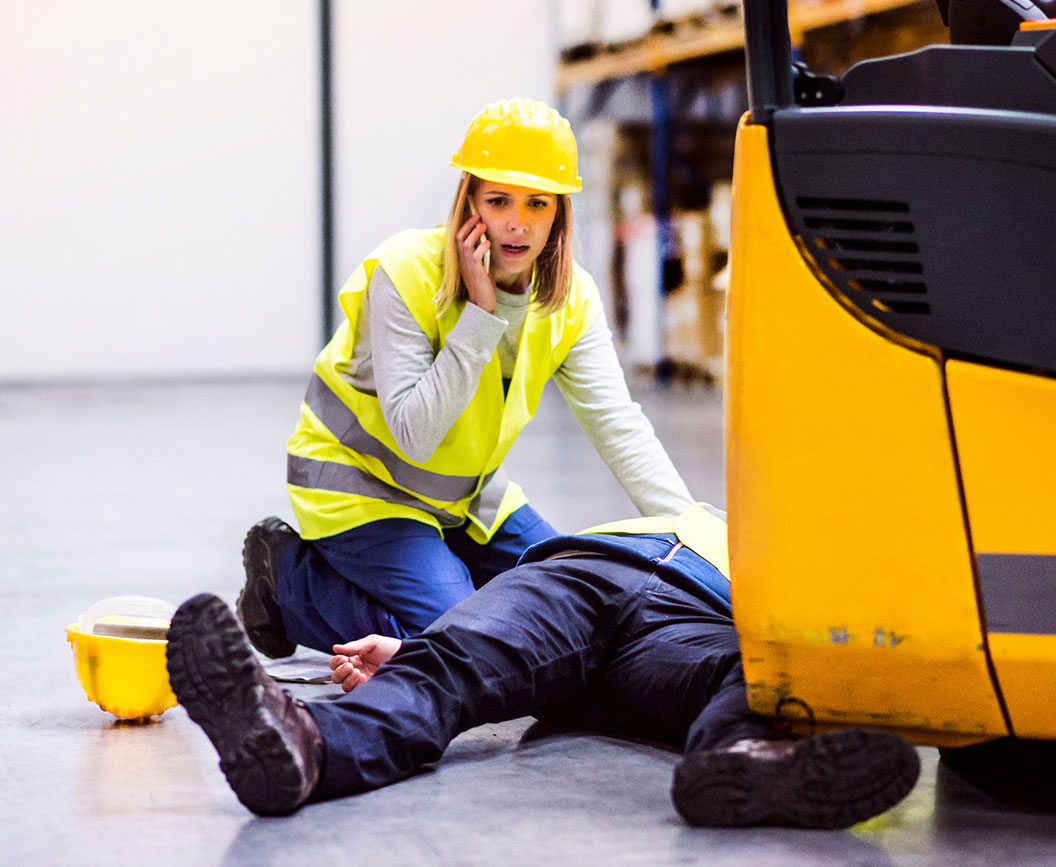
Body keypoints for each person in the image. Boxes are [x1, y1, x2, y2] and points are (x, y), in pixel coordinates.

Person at [239, 97, 694, 660]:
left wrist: (691, 532)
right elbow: (415, 434)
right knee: (469, 644)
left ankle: (450, 588)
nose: (517, 222)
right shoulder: (405, 270)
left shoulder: (571, 295)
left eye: (537, 204)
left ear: (559, 215)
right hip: (362, 490)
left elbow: (616, 422)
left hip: (465, 497)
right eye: (498, 199)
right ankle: (289, 583)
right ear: (469, 200)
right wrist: (480, 316)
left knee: (575, 601)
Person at [167, 505, 921, 827]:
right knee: (449, 660)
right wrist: (412, 642)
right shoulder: (678, 517)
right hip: (584, 573)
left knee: (754, 673)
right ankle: (302, 745)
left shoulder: (768, 532)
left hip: (695, 616)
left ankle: (741, 763)